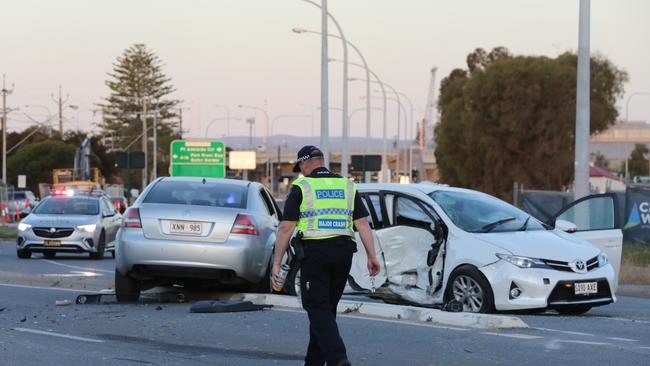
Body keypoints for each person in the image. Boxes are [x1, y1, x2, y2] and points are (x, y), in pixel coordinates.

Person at [273, 145, 381, 366]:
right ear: (322, 161)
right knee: (326, 309)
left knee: (317, 307)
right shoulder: (346, 185)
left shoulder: (302, 186)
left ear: (304, 163)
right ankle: (313, 362)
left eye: (300, 166)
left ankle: (337, 358)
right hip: (343, 254)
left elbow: (286, 228)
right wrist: (372, 256)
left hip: (316, 253)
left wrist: (277, 262)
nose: (301, 171)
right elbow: (362, 224)